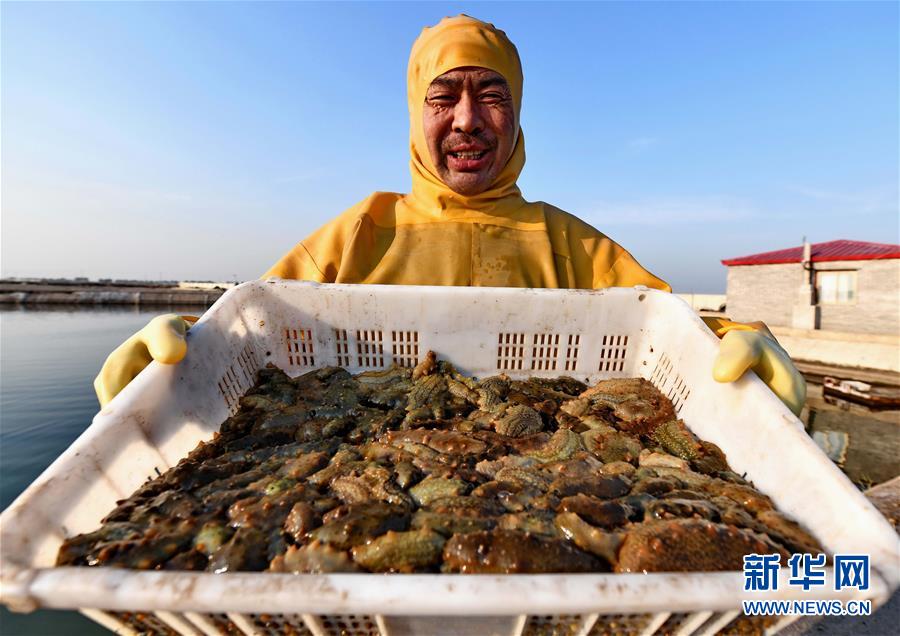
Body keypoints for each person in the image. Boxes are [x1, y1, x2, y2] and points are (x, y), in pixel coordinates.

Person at [94, 15, 805, 415]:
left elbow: (674, 330)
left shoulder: (571, 244)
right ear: (416, 113)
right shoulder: (360, 232)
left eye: (491, 95)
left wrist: (744, 342)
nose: (468, 120)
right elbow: (249, 329)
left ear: (518, 113)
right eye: (445, 97)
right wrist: (180, 346)